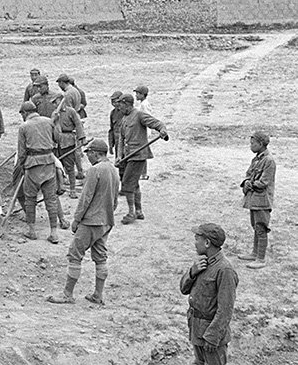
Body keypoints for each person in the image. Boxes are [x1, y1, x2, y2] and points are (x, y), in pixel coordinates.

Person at [47, 139, 119, 305]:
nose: (88, 157)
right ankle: (98, 295)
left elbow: (85, 198)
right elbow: (115, 199)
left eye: (89, 154)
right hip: (106, 221)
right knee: (101, 257)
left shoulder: (95, 170)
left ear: (95, 153)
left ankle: (67, 294)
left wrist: (76, 219)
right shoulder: (113, 169)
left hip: (91, 221)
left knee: (75, 254)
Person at [180, 223, 238, 365]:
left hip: (211, 335)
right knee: (199, 362)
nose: (194, 243)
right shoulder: (201, 263)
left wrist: (212, 337)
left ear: (207, 243)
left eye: (196, 239)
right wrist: (192, 272)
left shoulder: (224, 270)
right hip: (196, 328)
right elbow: (183, 289)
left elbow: (225, 309)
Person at [116, 94, 168, 224]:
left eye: (120, 105)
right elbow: (121, 139)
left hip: (138, 155)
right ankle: (138, 211)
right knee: (135, 183)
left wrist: (162, 129)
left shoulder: (139, 115)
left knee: (127, 183)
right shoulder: (124, 118)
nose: (118, 108)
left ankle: (131, 213)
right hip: (128, 156)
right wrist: (118, 155)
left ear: (127, 104)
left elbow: (157, 123)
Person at [17, 101, 61, 243]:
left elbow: (22, 152)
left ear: (25, 113)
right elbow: (58, 139)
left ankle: (32, 231)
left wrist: (21, 166)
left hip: (32, 164)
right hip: (49, 163)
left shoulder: (24, 127)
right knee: (51, 198)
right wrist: (56, 122)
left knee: (30, 199)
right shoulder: (49, 122)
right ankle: (54, 232)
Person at [238, 131, 276, 269]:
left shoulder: (269, 161)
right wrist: (246, 181)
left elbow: (264, 182)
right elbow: (248, 174)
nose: (251, 146)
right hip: (254, 199)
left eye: (253, 143)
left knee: (261, 228)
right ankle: (255, 253)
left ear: (261, 144)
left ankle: (261, 258)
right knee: (256, 227)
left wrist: (250, 184)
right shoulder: (257, 159)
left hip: (263, 201)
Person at [52, 100, 86, 198]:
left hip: (68, 141)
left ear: (61, 102)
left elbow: (78, 124)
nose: (55, 105)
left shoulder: (71, 111)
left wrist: (82, 138)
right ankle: (59, 188)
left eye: (56, 102)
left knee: (70, 166)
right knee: (57, 166)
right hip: (56, 143)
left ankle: (72, 190)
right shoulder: (54, 113)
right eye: (54, 103)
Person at [107, 91, 124, 164]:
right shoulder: (113, 113)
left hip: (125, 144)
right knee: (119, 164)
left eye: (115, 101)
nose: (114, 103)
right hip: (117, 143)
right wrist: (110, 145)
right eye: (112, 101)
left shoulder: (126, 112)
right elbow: (111, 130)